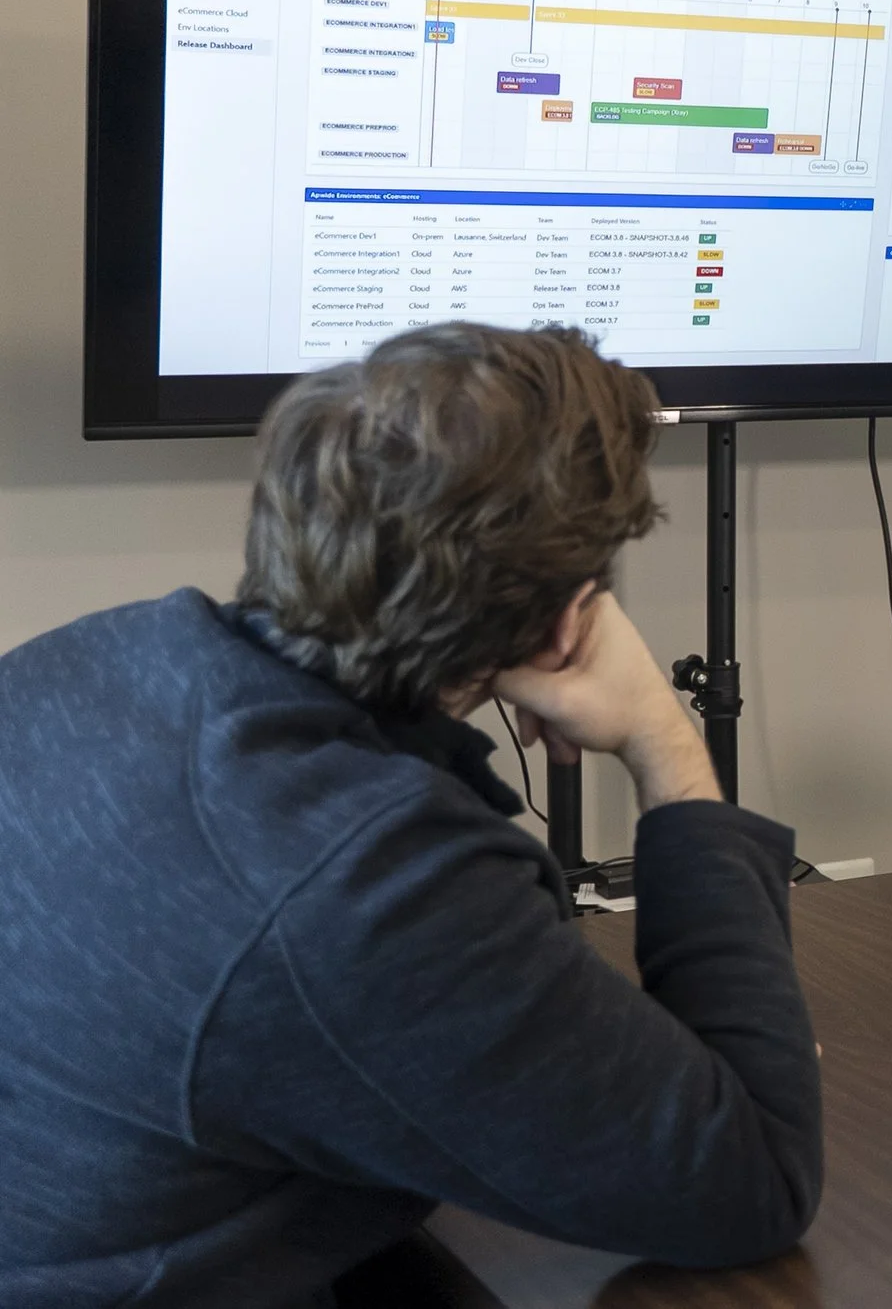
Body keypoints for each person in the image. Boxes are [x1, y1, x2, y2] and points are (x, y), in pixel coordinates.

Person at [0, 325, 822, 1305]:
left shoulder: (89, 660)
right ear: (568, 623)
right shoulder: (363, 884)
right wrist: (662, 738)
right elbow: (756, 1182)